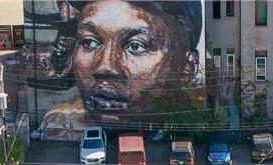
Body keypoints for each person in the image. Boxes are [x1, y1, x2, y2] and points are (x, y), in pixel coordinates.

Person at [41, 0, 202, 139]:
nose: (105, 67)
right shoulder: (58, 125)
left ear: (188, 67)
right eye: (89, 42)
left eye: (136, 46)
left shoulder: (198, 124)